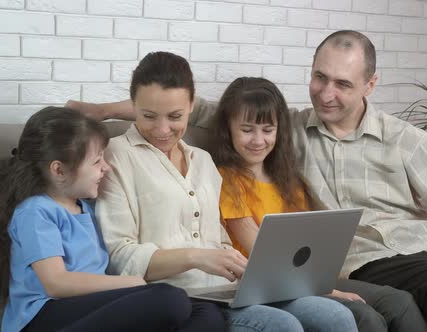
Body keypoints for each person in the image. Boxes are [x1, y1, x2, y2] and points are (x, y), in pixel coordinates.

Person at [67, 30, 427, 331]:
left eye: (342, 83)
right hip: (370, 259)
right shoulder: (288, 128)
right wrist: (101, 112)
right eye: (320, 78)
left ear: (370, 85)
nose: (327, 92)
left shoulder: (405, 140)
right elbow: (198, 110)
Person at [94, 51, 358, 332]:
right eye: (148, 115)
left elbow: (219, 241)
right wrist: (196, 256)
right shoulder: (116, 155)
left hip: (228, 290)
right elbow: (119, 257)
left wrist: (250, 270)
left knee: (337, 317)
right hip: (175, 297)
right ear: (133, 105)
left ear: (191, 106)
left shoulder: (203, 161)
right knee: (283, 326)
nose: (162, 130)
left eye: (175, 116)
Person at [210, 76, 427, 332]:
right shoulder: (227, 179)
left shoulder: (287, 177)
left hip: (303, 279)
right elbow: (264, 257)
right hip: (267, 287)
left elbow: (308, 241)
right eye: (247, 130)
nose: (258, 140)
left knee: (399, 301)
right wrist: (328, 291)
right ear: (228, 129)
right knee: (363, 315)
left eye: (268, 130)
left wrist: (325, 282)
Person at [0, 106, 225, 332]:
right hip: (44, 316)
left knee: (209, 315)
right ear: (58, 170)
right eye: (97, 161)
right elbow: (56, 283)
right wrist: (129, 283)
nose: (106, 168)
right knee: (169, 300)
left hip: (89, 307)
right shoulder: (35, 212)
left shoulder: (86, 209)